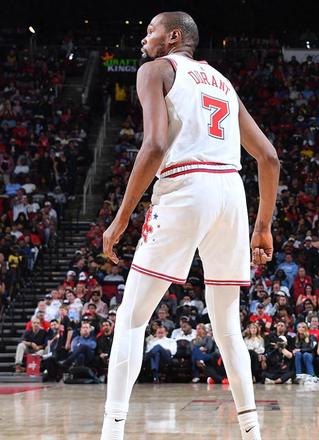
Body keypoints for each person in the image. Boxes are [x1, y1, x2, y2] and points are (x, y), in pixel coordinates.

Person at [100, 11, 279, 440]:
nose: (144, 38)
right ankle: (252, 432)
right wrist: (263, 226)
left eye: (151, 31)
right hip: (232, 193)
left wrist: (121, 217)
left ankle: (112, 432)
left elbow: (155, 145)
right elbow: (269, 157)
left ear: (173, 36)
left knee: (132, 318)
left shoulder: (156, 70)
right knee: (228, 327)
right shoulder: (222, 82)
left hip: (186, 185)